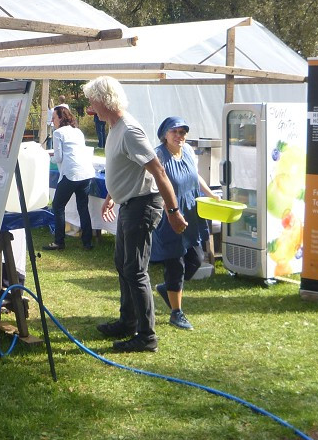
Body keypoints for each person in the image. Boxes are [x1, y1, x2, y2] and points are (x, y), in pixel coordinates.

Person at [84, 76, 185, 353]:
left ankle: (146, 336)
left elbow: (158, 171)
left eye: (93, 100)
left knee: (135, 270)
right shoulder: (114, 126)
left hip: (142, 205)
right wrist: (110, 197)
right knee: (122, 263)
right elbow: (124, 169)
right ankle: (128, 322)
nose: (90, 105)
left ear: (105, 100)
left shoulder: (129, 129)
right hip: (129, 203)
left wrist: (173, 211)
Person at [150, 116, 212, 331]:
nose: (179, 136)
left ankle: (168, 288)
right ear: (164, 134)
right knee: (176, 264)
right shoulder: (158, 155)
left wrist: (211, 194)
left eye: (182, 132)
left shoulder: (188, 152)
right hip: (170, 216)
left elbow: (195, 177)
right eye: (174, 132)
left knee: (196, 258)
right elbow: (141, 178)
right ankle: (176, 312)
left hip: (191, 214)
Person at [44, 105, 96, 251]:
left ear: (60, 118)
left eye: (54, 118)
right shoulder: (77, 131)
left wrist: (48, 157)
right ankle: (87, 242)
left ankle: (59, 241)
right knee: (83, 207)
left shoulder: (58, 133)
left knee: (58, 206)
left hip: (71, 174)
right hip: (85, 173)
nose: (52, 121)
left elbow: (59, 157)